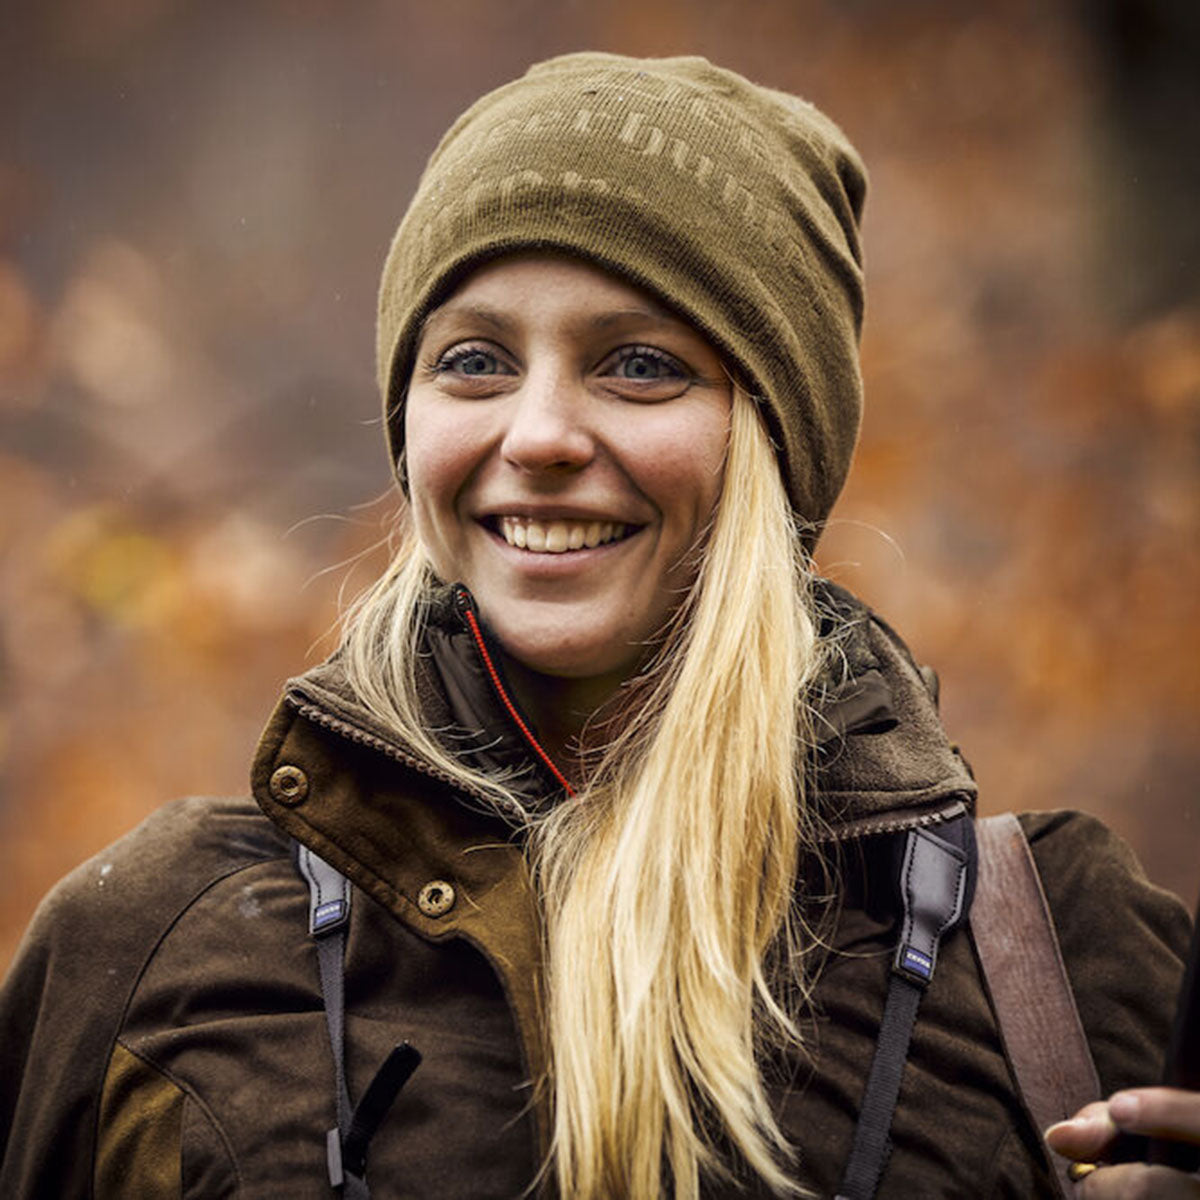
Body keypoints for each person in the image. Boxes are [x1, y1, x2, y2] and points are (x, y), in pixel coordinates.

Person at [0, 51, 1195, 1200]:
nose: (539, 435)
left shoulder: (1053, 956)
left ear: (774, 440)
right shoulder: (152, 948)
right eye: (472, 361)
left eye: (637, 364)